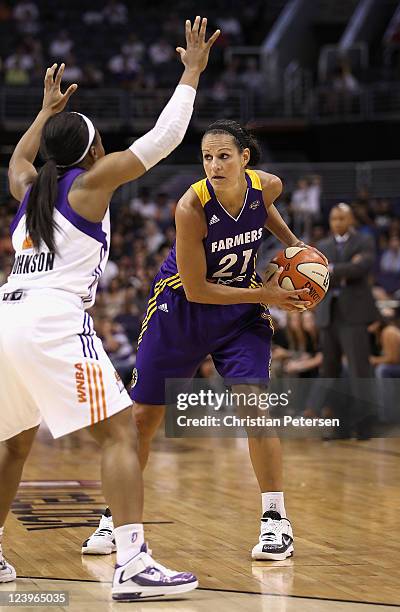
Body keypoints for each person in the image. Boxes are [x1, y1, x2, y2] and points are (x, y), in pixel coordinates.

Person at [0, 16, 220, 601]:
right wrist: (192, 72)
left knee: (12, 444)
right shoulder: (90, 183)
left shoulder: (31, 189)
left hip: (6, 317)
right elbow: (167, 137)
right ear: (93, 148)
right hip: (50, 319)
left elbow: (18, 161)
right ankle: (132, 563)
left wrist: (44, 113)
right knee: (120, 435)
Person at [84, 119, 327, 562]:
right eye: (207, 157)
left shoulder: (267, 185)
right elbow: (198, 289)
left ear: (244, 159)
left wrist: (294, 244)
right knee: (142, 419)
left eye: (223, 156)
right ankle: (113, 519)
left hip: (239, 313)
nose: (214, 165)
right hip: (182, 309)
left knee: (255, 404)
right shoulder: (191, 206)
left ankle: (276, 521)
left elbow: (263, 208)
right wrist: (268, 294)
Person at [314, 203, 379, 439]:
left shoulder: (365, 241)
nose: (337, 223)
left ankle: (364, 425)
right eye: (333, 218)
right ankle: (338, 426)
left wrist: (331, 269)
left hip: (354, 315)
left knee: (359, 371)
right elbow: (317, 275)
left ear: (351, 220)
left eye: (342, 218)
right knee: (329, 372)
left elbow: (360, 268)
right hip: (328, 315)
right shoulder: (322, 246)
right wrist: (343, 269)